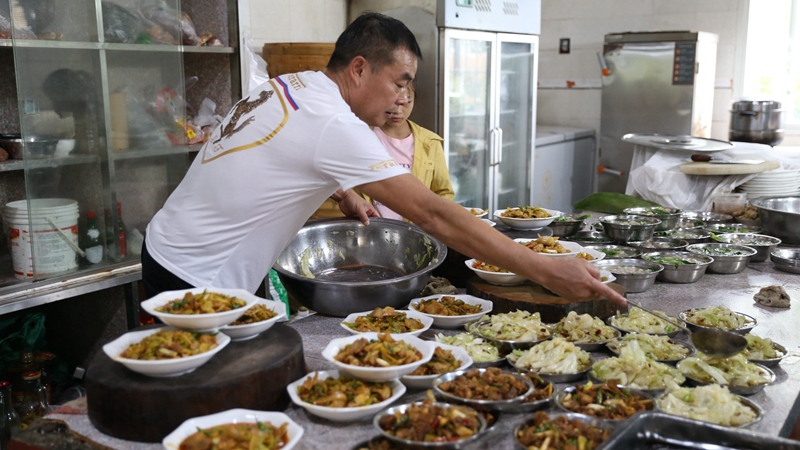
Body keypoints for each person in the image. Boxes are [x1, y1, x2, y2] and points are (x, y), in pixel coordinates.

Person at [141, 12, 625, 306]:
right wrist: (543, 269)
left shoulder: (292, 85)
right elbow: (433, 214)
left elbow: (271, 152)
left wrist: (342, 188)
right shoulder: (337, 123)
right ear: (358, 68)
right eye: (399, 82)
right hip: (197, 275)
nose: (401, 98)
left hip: (169, 245)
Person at [363, 82, 454, 220]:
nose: (397, 110)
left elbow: (443, 192)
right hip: (371, 228)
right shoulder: (362, 137)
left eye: (405, 103)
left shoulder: (430, 142)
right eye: (391, 102)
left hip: (416, 231)